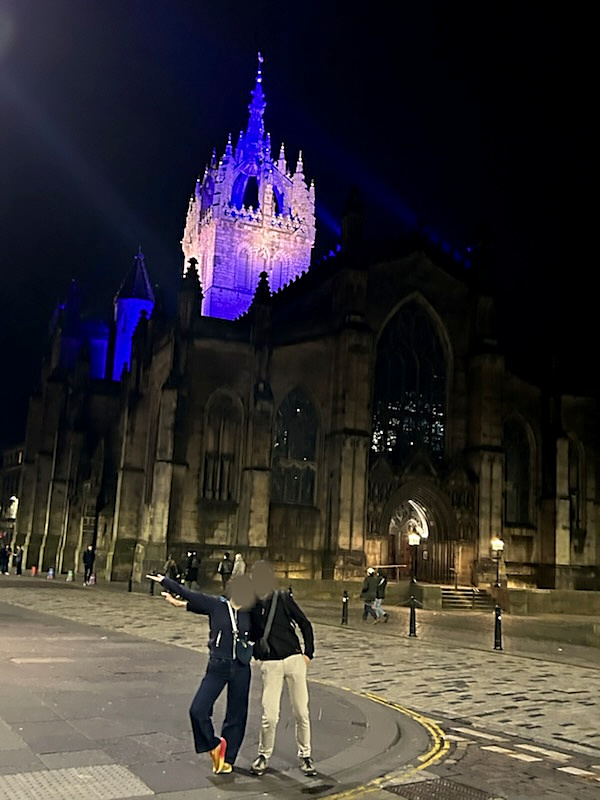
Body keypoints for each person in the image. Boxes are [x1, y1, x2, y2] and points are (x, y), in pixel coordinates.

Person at [147, 571, 256, 774]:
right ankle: (213, 744)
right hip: (218, 665)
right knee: (198, 709)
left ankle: (227, 758)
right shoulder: (217, 605)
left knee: (237, 714)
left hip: (241, 667)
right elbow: (190, 595)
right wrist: (166, 581)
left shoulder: (250, 612)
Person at [249, 560, 317, 778]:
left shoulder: (282, 599)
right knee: (270, 716)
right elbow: (249, 633)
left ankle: (305, 755)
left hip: (294, 660)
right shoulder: (251, 605)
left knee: (301, 712)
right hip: (271, 664)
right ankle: (263, 755)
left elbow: (304, 623)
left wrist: (308, 654)